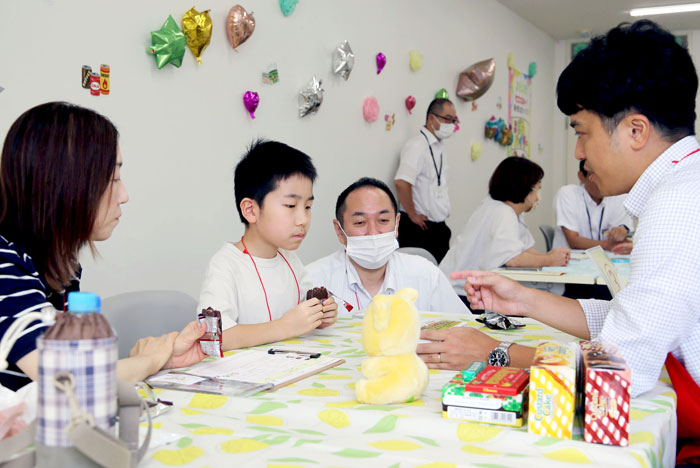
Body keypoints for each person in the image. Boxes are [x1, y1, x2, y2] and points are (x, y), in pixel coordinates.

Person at [418, 22, 700, 463]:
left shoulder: (677, 206)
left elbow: (621, 368)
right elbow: (636, 319)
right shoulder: (685, 187)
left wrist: (496, 353)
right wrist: (527, 300)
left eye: (581, 131)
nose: (578, 153)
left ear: (636, 131)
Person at [0, 102, 207, 391]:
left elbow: (78, 367)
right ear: (66, 183)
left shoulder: (62, 265)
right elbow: (67, 379)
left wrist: (158, 358)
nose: (124, 196)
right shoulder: (5, 264)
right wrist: (148, 360)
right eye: (113, 179)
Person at [197, 140, 338, 350]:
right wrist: (284, 327)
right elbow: (215, 336)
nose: (303, 219)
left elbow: (307, 309)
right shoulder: (226, 265)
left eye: (308, 206)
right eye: (291, 205)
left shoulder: (290, 260)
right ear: (251, 210)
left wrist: (322, 314)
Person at [306, 177, 466, 314]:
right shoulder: (312, 280)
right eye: (360, 222)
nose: (374, 232)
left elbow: (463, 331)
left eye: (383, 220)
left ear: (396, 224)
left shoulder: (427, 275)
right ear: (339, 231)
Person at [439, 157, 570, 305]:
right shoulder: (502, 213)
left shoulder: (510, 211)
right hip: (460, 295)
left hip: (468, 291)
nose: (538, 196)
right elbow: (513, 259)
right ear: (525, 188)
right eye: (538, 188)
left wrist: (551, 257)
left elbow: (525, 250)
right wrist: (549, 260)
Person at [394, 98, 459, 263]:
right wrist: (413, 214)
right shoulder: (417, 145)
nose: (451, 124)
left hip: (438, 228)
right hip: (419, 229)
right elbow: (401, 182)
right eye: (448, 119)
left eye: (454, 120)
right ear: (432, 118)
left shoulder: (439, 148)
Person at [553, 159, 633, 253]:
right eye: (596, 176)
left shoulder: (619, 197)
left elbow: (623, 238)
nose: (602, 181)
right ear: (581, 176)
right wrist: (607, 245)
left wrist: (621, 233)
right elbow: (573, 241)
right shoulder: (568, 194)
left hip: (605, 261)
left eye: (606, 175)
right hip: (569, 260)